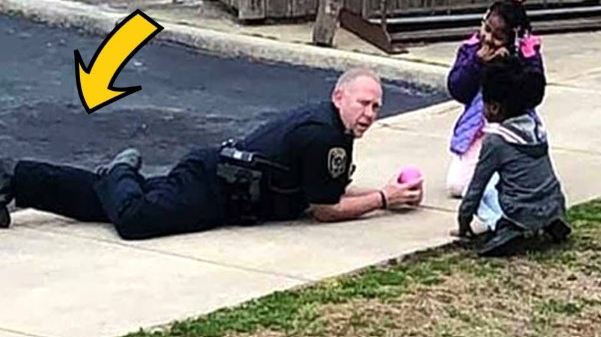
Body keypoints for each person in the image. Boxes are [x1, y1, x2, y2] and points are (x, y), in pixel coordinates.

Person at [0, 68, 424, 240]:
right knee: (133, 220)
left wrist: (381, 191)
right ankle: (119, 169)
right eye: (363, 103)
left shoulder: (334, 128)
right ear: (338, 96)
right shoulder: (324, 135)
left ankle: (16, 180)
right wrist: (386, 199)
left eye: (376, 107)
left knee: (100, 203)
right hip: (213, 187)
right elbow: (325, 208)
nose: (370, 113)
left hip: (223, 183)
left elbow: (328, 189)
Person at [451, 56, 571, 257]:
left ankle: (505, 226)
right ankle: (550, 221)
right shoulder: (537, 129)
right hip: (553, 203)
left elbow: (476, 188)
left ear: (494, 108)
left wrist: (463, 223)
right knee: (525, 177)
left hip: (519, 210)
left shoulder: (495, 142)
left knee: (475, 189)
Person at [445, 0, 545, 198]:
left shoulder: (526, 56)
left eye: (498, 37)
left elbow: (534, 95)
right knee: (456, 186)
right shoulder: (472, 49)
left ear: (513, 40)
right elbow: (457, 89)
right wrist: (477, 63)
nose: (488, 39)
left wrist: (508, 67)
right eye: (486, 29)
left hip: (512, 129)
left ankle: (508, 176)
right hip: (478, 129)